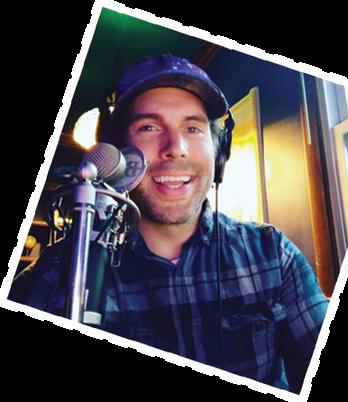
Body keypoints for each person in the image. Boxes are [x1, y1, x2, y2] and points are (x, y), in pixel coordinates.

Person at [9, 54, 328, 393]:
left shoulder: (273, 254)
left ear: (219, 152)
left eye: (193, 128)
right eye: (149, 127)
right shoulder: (56, 274)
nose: (176, 148)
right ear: (118, 154)